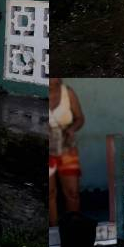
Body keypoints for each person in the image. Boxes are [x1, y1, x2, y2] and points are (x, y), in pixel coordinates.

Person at [49, 77, 84, 227]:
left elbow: (80, 119)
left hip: (67, 148)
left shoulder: (67, 93)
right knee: (50, 193)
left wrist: (71, 129)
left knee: (72, 193)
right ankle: (53, 228)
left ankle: (73, 229)